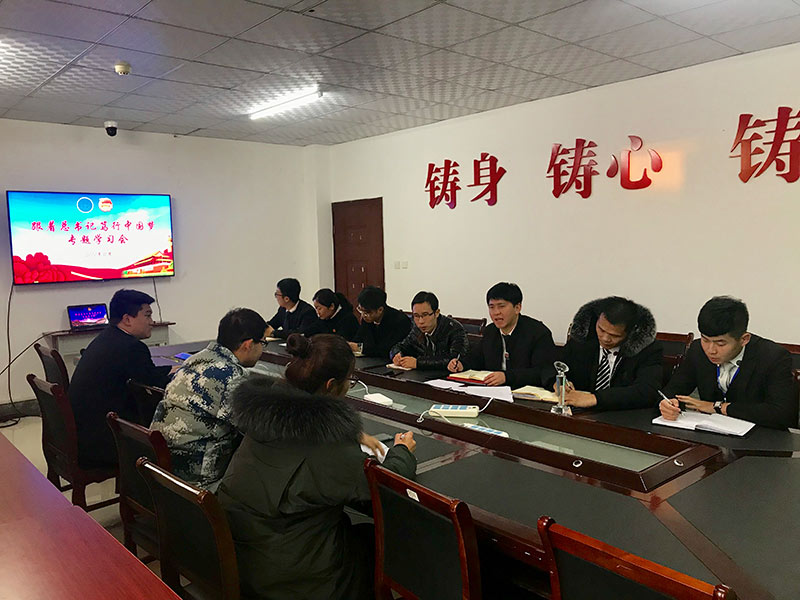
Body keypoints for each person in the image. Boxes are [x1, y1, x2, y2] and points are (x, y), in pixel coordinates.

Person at [218, 334, 417, 600]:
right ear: (331, 385)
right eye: (349, 381)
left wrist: (350, 434)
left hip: (242, 554)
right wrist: (402, 452)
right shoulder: (325, 442)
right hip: (292, 578)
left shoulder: (265, 416)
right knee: (380, 541)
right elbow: (383, 490)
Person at [150, 308, 268, 490]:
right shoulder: (231, 376)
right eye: (263, 342)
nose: (263, 349)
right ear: (248, 344)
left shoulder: (195, 359)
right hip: (198, 481)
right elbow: (257, 429)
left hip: (164, 467)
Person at [68, 289, 172, 467]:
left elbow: (145, 374)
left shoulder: (108, 337)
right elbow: (155, 384)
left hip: (83, 434)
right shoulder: (132, 347)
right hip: (104, 442)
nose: (152, 321)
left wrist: (169, 369)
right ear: (127, 319)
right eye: (147, 315)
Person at [660, 296, 797, 429]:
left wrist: (719, 407)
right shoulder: (697, 350)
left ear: (744, 339)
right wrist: (668, 404)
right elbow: (672, 391)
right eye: (705, 339)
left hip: (758, 437)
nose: (711, 350)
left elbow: (782, 415)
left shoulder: (773, 357)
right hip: (709, 434)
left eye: (720, 343)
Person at [543, 296, 662, 409]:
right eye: (601, 329)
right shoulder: (583, 339)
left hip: (620, 415)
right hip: (577, 412)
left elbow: (647, 391)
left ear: (630, 333)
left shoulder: (647, 349)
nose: (605, 338)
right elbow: (551, 366)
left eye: (614, 335)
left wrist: (596, 399)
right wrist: (558, 382)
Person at [449, 283, 557, 387]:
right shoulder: (490, 331)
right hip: (493, 391)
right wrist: (461, 364)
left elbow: (542, 372)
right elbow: (477, 358)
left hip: (524, 392)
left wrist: (507, 377)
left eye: (501, 306)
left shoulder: (538, 333)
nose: (496, 312)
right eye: (491, 307)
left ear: (517, 308)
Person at [390, 291, 468, 371]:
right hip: (424, 375)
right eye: (416, 316)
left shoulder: (453, 329)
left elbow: (454, 359)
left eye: (425, 315)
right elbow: (401, 346)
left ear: (436, 313)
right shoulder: (417, 330)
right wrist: (396, 354)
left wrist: (418, 363)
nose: (420, 321)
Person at [350, 286, 411, 359]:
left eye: (367, 312)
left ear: (380, 310)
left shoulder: (400, 321)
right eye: (360, 310)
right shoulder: (367, 319)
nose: (363, 315)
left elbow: (387, 350)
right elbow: (359, 339)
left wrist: (360, 348)